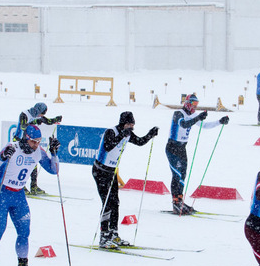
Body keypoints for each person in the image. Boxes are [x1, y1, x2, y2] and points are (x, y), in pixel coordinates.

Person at [0, 125, 60, 266]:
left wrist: (54, 154)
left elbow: (54, 170)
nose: (36, 145)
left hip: (18, 196)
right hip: (2, 193)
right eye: (33, 142)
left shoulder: (38, 152)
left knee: (24, 232)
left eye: (39, 142)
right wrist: (3, 157)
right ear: (26, 138)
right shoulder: (12, 148)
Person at [92, 111, 158, 248]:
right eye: (129, 124)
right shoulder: (111, 132)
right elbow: (108, 146)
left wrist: (150, 134)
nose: (131, 127)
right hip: (100, 171)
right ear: (123, 124)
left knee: (115, 202)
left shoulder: (127, 133)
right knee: (107, 203)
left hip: (111, 172)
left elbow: (139, 142)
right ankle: (104, 237)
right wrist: (122, 135)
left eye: (132, 125)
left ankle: (114, 234)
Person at [165, 93, 228, 214]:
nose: (194, 106)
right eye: (193, 104)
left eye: (197, 104)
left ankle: (180, 199)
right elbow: (184, 124)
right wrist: (197, 118)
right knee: (176, 174)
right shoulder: (178, 114)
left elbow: (204, 125)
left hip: (182, 148)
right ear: (187, 103)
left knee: (183, 175)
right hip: (172, 147)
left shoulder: (193, 115)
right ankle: (175, 202)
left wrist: (220, 122)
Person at [15, 102, 62, 195]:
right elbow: (23, 126)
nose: (41, 116)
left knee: (34, 163)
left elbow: (47, 121)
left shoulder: (37, 115)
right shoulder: (24, 114)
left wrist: (56, 119)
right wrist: (35, 121)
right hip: (20, 142)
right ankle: (20, 186)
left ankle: (34, 186)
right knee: (22, 164)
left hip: (32, 144)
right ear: (37, 110)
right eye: (41, 113)